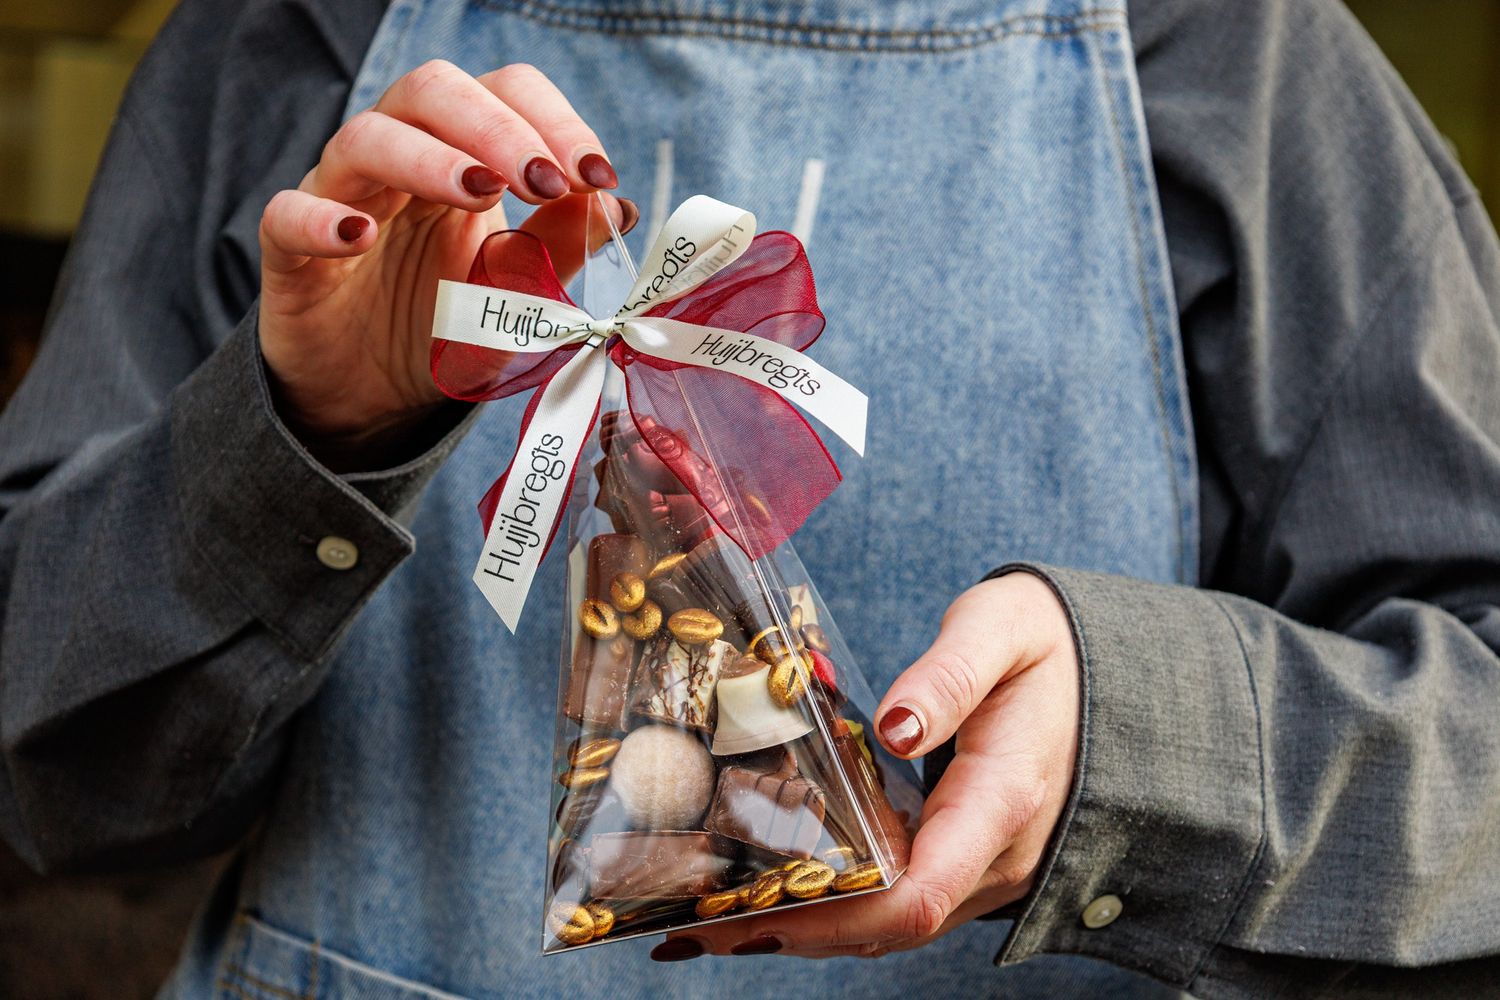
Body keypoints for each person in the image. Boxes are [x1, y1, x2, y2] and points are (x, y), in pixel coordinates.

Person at [2, 0, 1498, 996]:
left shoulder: (1238, 56)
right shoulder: (291, 33)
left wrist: (1145, 740)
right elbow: (48, 786)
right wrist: (303, 435)